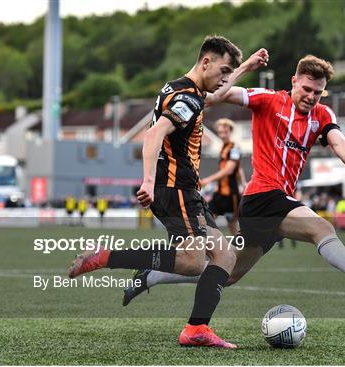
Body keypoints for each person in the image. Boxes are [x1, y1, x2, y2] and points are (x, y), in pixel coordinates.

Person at [123, 55, 345, 304]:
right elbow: (214, 96)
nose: (311, 97)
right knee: (321, 230)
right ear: (294, 82)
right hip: (263, 196)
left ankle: (150, 276)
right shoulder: (268, 99)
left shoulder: (323, 114)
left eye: (317, 92)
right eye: (306, 89)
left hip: (273, 203)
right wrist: (246, 67)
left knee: (228, 273)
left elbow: (338, 141)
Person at [67, 35, 269, 349]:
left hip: (186, 191)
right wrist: (147, 181)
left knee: (224, 256)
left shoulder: (182, 89)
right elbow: (154, 133)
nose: (225, 79)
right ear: (206, 63)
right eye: (223, 70)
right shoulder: (188, 98)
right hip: (174, 189)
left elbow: (212, 99)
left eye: (229, 73)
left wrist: (244, 67)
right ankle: (106, 257)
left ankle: (196, 328)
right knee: (191, 262)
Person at [201, 118, 242, 235]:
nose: (222, 134)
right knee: (207, 219)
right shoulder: (224, 147)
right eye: (220, 132)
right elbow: (239, 169)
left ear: (230, 131)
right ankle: (212, 248)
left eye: (225, 132)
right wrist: (243, 182)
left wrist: (208, 180)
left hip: (231, 195)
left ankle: (239, 250)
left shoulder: (234, 148)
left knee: (233, 226)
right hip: (220, 194)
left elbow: (229, 170)